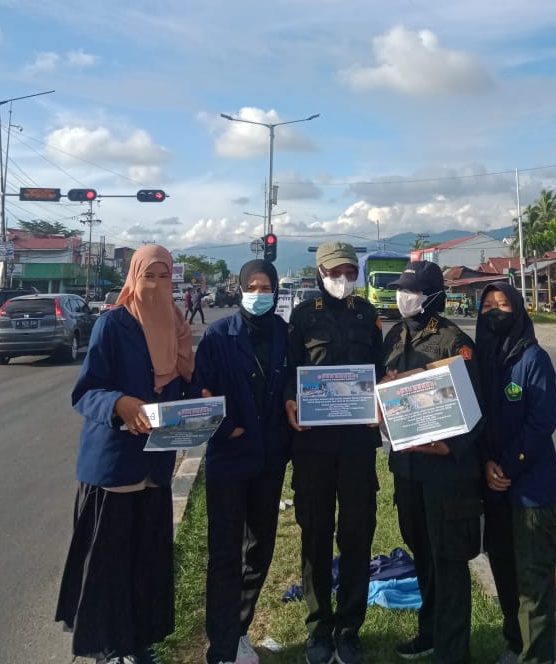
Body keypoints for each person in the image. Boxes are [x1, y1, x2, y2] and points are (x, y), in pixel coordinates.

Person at [56, 244, 195, 664]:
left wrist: (199, 403)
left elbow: (183, 389)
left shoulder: (177, 326)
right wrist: (119, 403)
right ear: (133, 278)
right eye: (148, 276)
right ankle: (107, 647)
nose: (155, 286)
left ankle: (139, 643)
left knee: (146, 560)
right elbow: (86, 392)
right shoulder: (112, 325)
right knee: (110, 563)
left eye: (164, 277)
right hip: (114, 466)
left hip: (155, 466)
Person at [380, 261, 484, 664]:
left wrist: (450, 446)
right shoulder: (393, 336)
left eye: (412, 291)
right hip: (407, 470)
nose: (403, 297)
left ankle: (453, 650)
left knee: (448, 561)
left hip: (446, 474)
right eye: (401, 290)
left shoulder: (454, 341)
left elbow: (474, 410)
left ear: (433, 297)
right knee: (421, 551)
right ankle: (429, 631)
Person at [285, 241, 383, 664]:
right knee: (316, 533)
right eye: (335, 272)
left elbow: (382, 370)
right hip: (314, 448)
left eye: (349, 272)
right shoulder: (303, 317)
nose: (342, 279)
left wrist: (384, 399)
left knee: (358, 533)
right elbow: (288, 373)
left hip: (359, 446)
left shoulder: (367, 316)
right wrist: (291, 401)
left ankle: (349, 627)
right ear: (320, 272)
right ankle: (319, 626)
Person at [193, 259, 292, 664]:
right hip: (229, 461)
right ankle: (220, 646)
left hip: (270, 462)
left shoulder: (286, 334)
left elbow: (296, 382)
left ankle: (238, 630)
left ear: (275, 289)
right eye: (251, 285)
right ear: (239, 289)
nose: (259, 292)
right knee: (224, 553)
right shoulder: (218, 335)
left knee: (261, 549)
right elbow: (199, 391)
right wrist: (227, 426)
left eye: (266, 285)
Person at [475, 283, 556, 664]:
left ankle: (536, 656)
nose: (495, 311)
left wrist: (506, 466)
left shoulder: (533, 359)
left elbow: (542, 423)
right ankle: (515, 645)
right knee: (505, 574)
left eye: (503, 304)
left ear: (519, 310)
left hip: (530, 492)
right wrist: (484, 465)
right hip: (494, 489)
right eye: (488, 305)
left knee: (534, 584)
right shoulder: (481, 362)